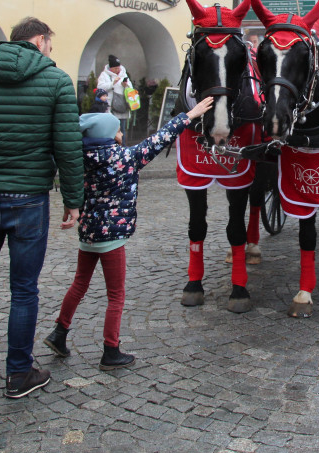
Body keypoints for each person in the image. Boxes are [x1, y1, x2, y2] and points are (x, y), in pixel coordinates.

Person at [0, 17, 83, 399]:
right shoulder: (56, 82)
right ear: (39, 40)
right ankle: (19, 374)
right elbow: (68, 148)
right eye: (49, 45)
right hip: (28, 198)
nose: (50, 51)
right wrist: (74, 200)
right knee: (24, 290)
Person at [44, 96, 215, 369]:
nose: (121, 133)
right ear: (108, 136)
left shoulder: (80, 160)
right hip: (112, 238)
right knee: (116, 295)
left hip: (88, 235)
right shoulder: (124, 159)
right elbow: (159, 139)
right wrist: (190, 115)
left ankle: (59, 333)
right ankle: (110, 351)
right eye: (117, 130)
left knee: (79, 284)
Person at [97, 55, 135, 136]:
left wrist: (125, 85)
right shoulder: (104, 75)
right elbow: (100, 87)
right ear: (110, 68)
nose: (117, 70)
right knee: (112, 130)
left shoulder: (123, 75)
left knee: (122, 130)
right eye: (115, 68)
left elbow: (131, 89)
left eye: (118, 68)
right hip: (111, 107)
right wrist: (112, 83)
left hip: (123, 106)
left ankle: (122, 146)